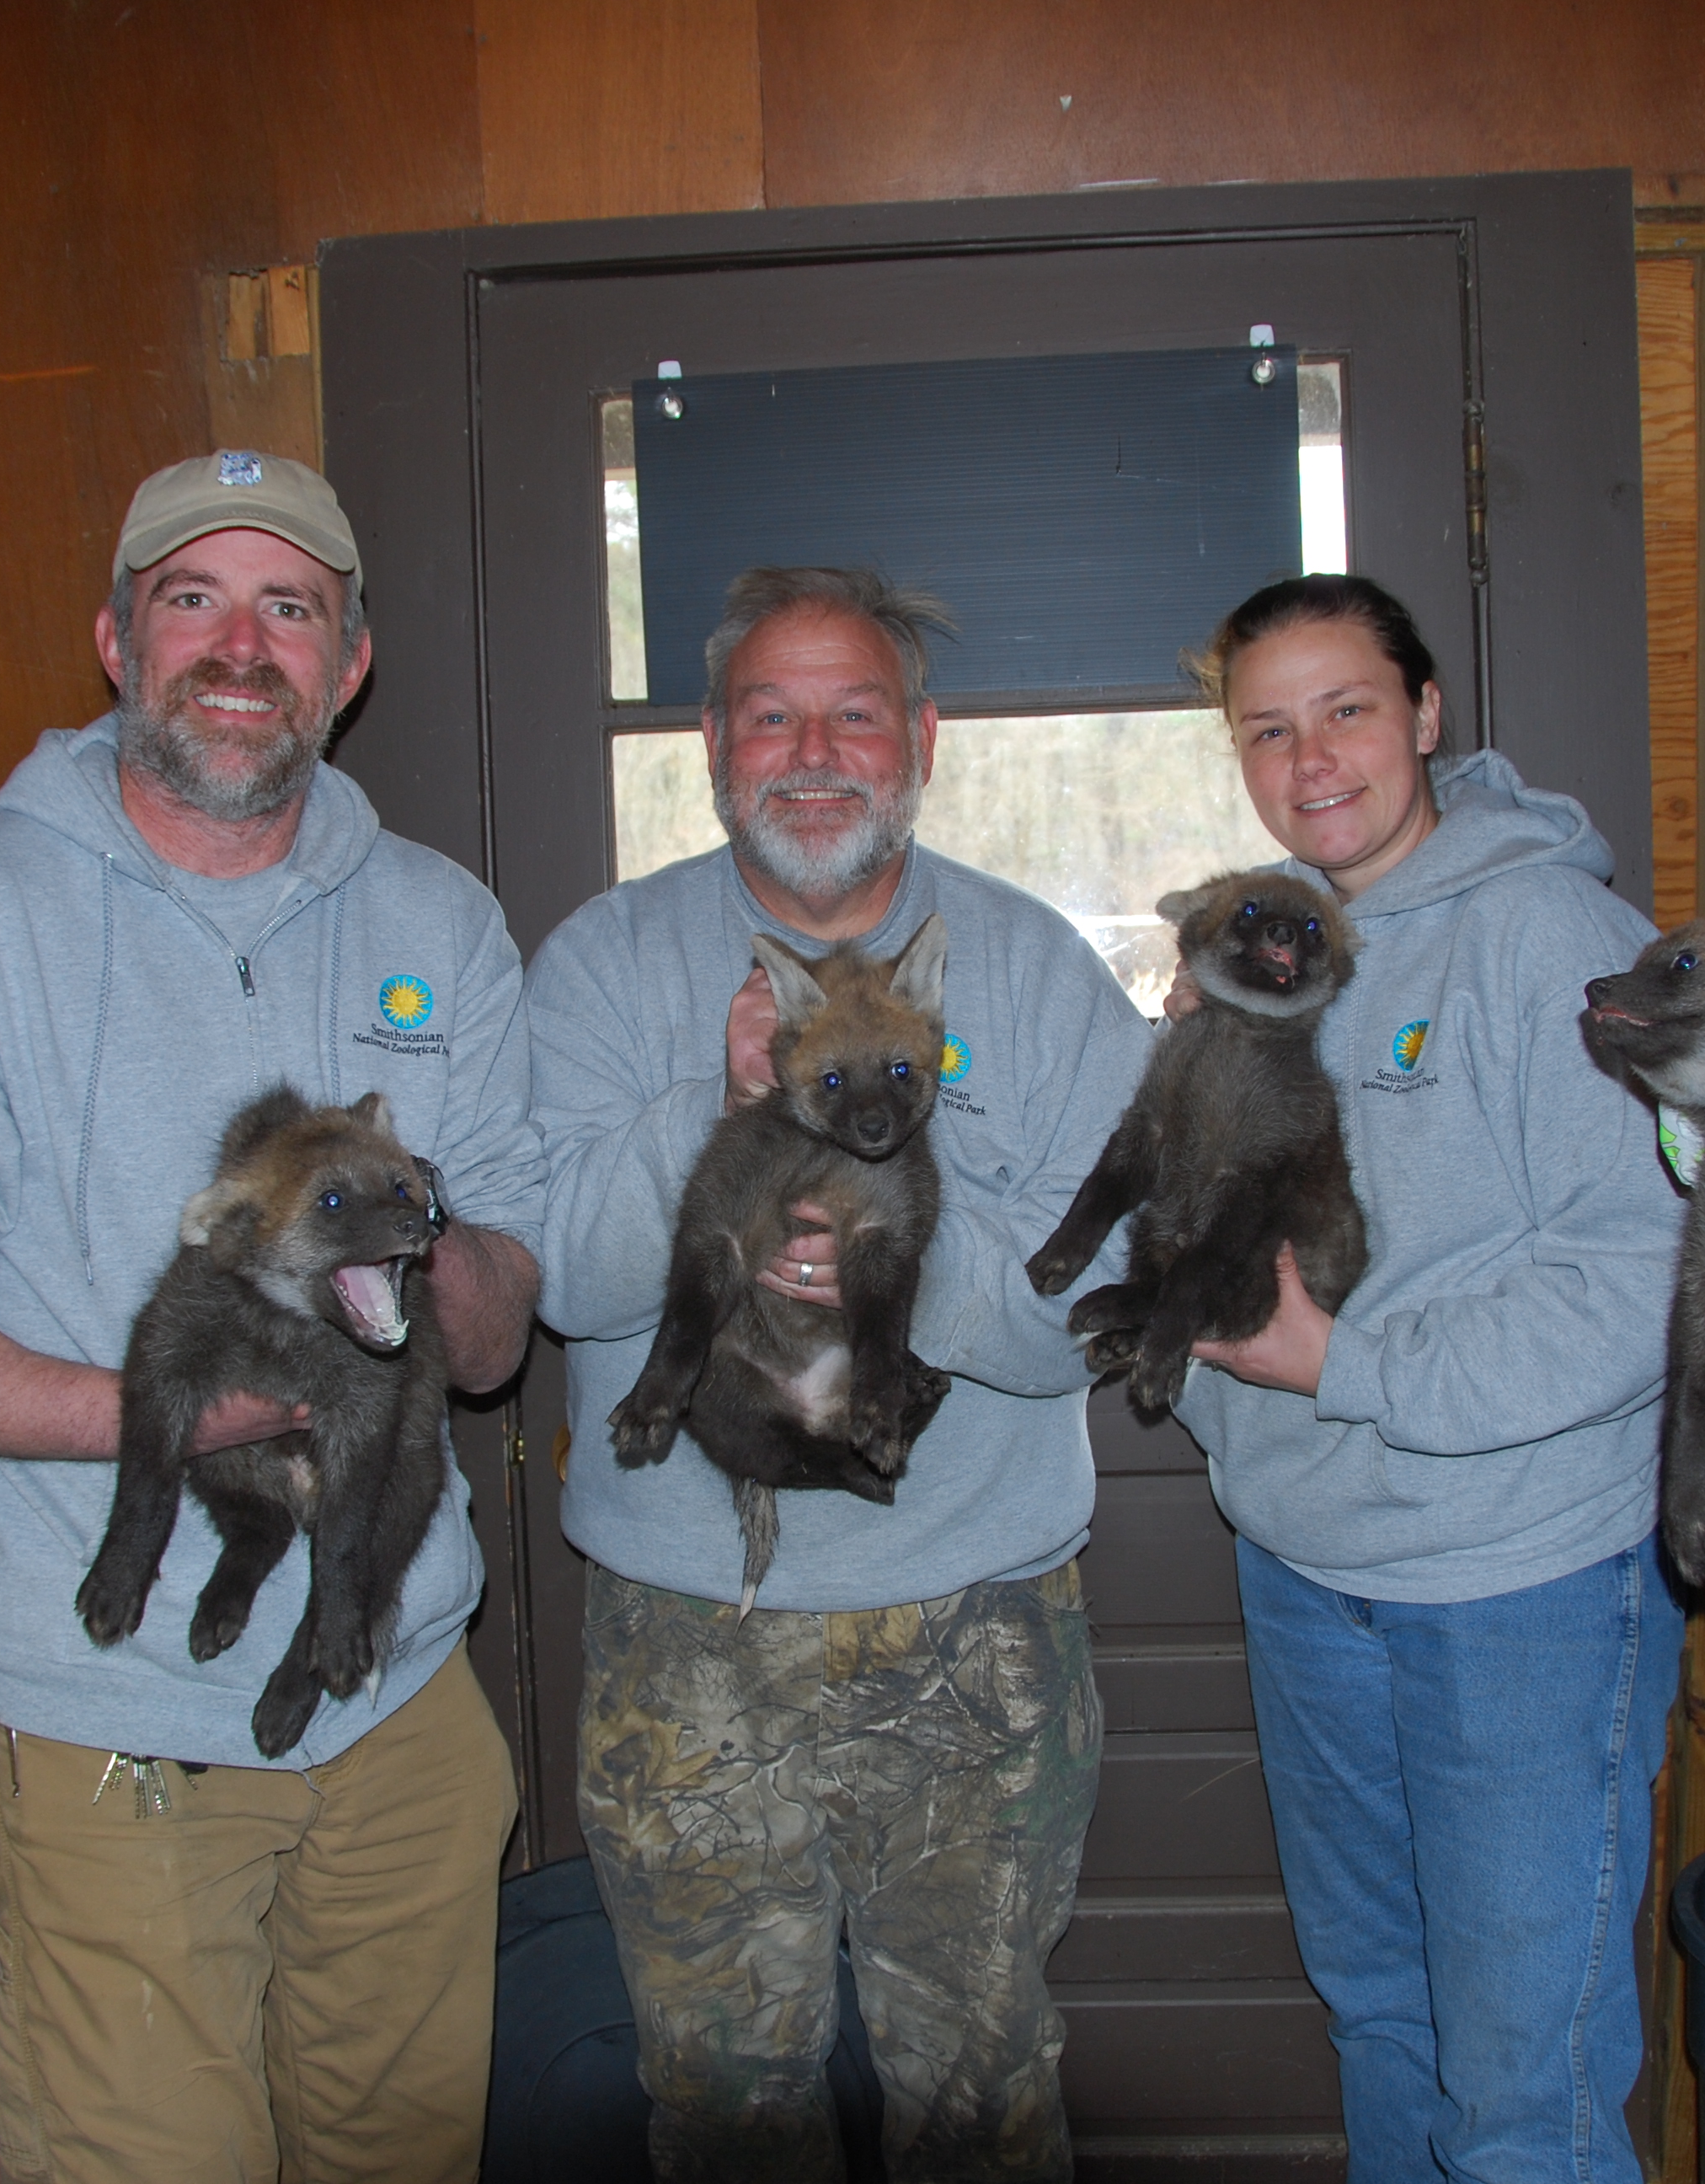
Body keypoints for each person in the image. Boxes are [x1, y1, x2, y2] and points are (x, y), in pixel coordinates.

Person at [0, 451, 542, 2184]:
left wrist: (440, 1269)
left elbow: (497, 1325)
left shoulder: (438, 922)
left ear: (348, 664)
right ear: (116, 641)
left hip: (404, 1711)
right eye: (191, 598)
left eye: (290, 606)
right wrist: (176, 1423)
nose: (238, 643)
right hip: (121, 1719)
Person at [527, 566, 1151, 2181]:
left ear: (921, 739)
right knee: (729, 2110)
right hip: (691, 1632)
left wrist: (909, 1261)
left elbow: (1116, 1291)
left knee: (982, 2100)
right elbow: (560, 1279)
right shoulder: (603, 963)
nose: (813, 748)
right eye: (770, 713)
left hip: (977, 1630)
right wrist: (716, 1111)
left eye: (854, 710)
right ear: (714, 746)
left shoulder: (1022, 967)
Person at [1167, 573, 1688, 2181]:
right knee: (1383, 2021)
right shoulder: (1262, 954)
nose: (1310, 757)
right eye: (1269, 727)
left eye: (1347, 711)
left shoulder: (1560, 938)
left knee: (1525, 2079)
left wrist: (1350, 1364)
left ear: (1427, 717)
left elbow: (1645, 1275)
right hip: (1310, 1572)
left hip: (1519, 1584)